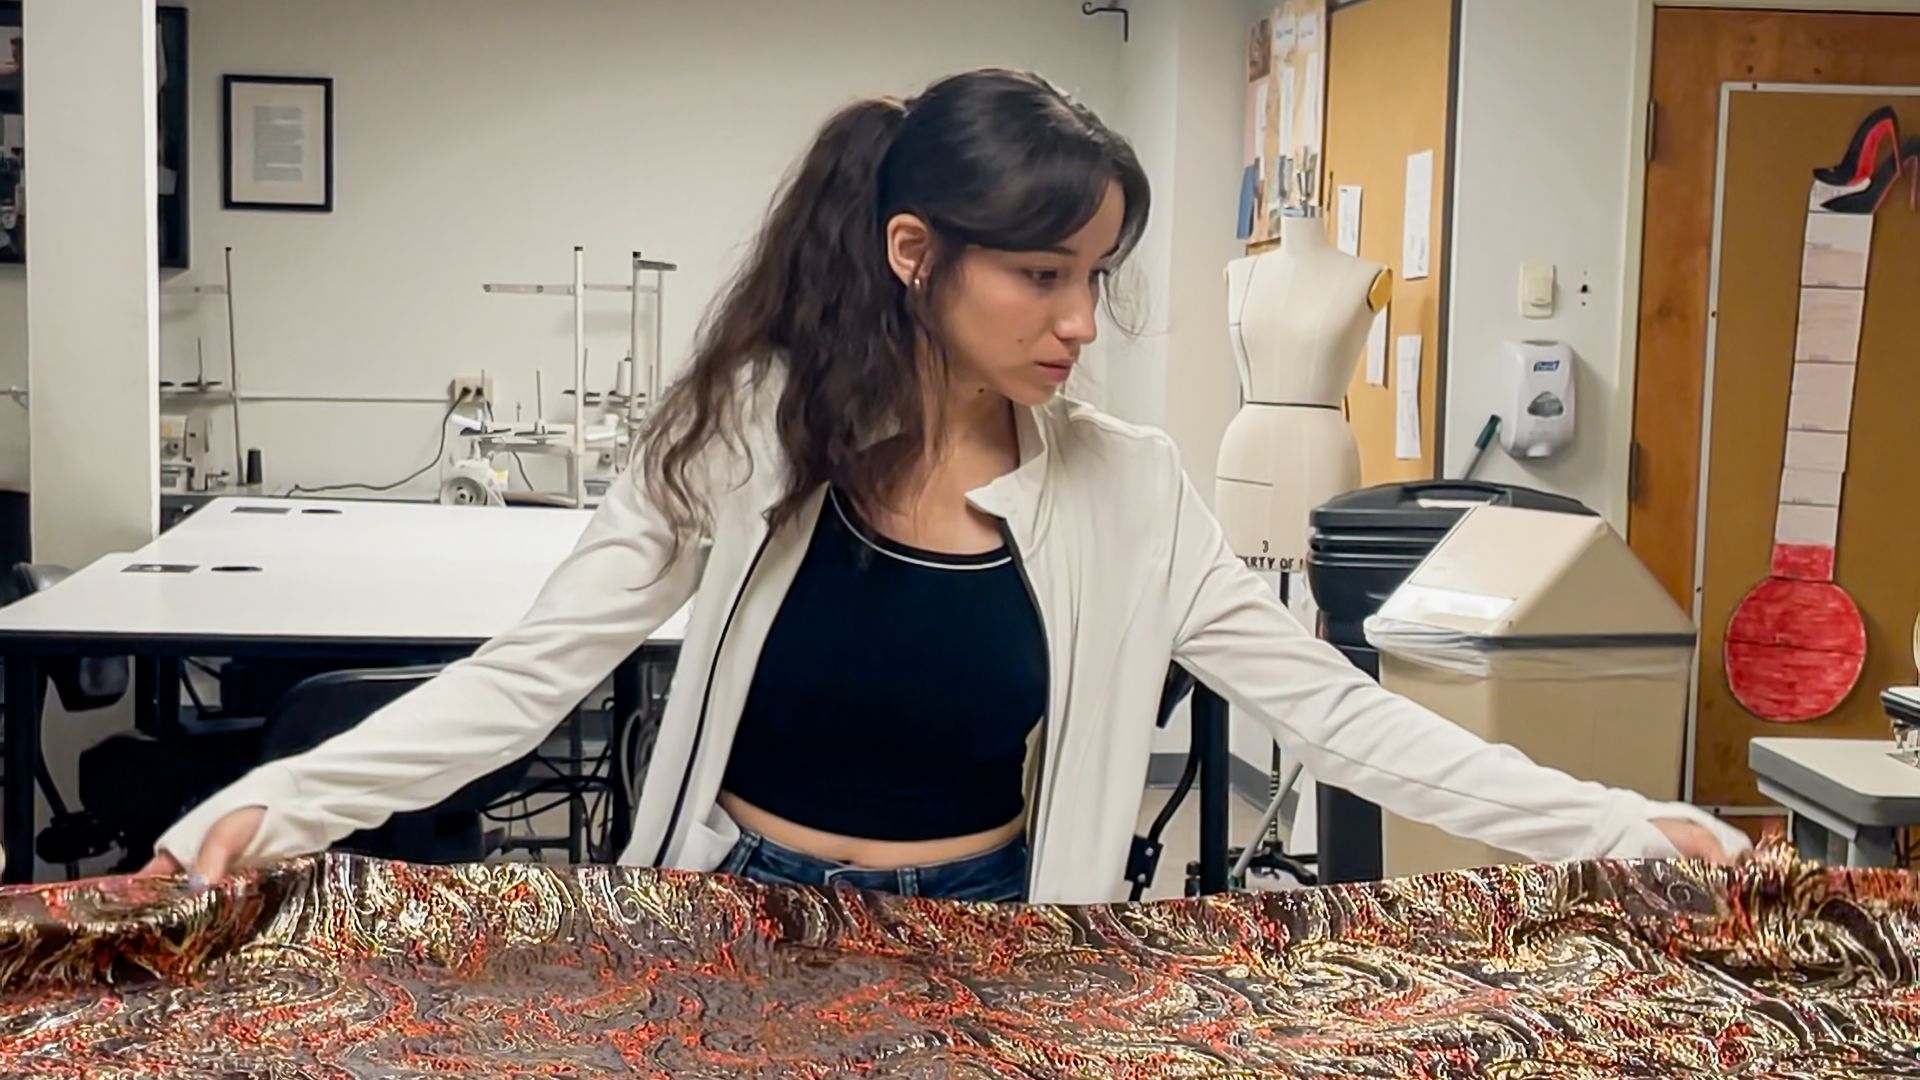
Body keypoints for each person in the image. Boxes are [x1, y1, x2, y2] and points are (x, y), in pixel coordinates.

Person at [149, 69, 1746, 904]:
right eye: (1042, 274)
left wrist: (1616, 823)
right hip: (732, 911)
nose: (1077, 323)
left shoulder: (1127, 487)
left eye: (1097, 275)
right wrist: (264, 806)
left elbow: (1339, 716)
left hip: (995, 927)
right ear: (915, 255)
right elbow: (526, 683)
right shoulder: (747, 437)